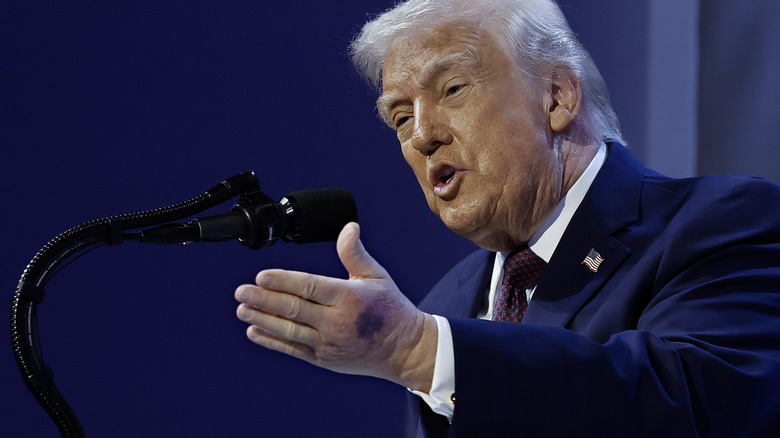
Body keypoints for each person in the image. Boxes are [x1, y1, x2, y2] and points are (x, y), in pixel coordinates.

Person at [234, 0, 780, 436]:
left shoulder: (718, 222)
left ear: (558, 98)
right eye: (400, 117)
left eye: (451, 89)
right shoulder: (447, 304)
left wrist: (421, 353)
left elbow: (700, 404)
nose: (422, 135)